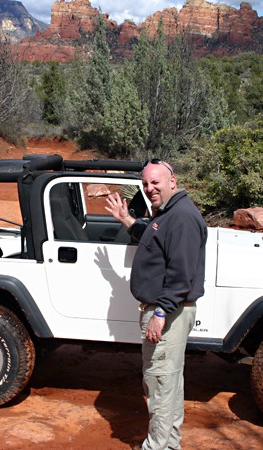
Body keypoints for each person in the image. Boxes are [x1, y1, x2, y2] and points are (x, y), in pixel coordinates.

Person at [105, 159, 207, 450]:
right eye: (146, 184)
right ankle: (169, 445)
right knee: (168, 383)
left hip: (168, 312)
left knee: (160, 385)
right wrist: (126, 219)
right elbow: (154, 237)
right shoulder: (169, 213)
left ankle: (157, 447)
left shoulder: (183, 217)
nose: (149, 189)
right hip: (168, 310)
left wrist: (160, 312)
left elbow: (180, 274)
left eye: (156, 182)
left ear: (172, 181)